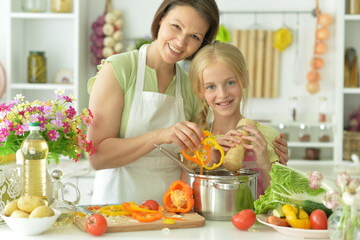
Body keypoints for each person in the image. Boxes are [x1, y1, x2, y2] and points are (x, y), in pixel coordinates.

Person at [87, 0, 288, 205]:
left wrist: (269, 157)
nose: (181, 42)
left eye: (194, 36)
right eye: (176, 26)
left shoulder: (191, 87)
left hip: (172, 212)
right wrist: (161, 135)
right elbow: (97, 157)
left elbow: (195, 161)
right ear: (160, 19)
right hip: (117, 206)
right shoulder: (119, 69)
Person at [189, 41, 282, 197]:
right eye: (211, 86)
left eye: (230, 82)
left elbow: (280, 201)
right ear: (200, 90)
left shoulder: (267, 136)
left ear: (243, 79)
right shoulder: (197, 140)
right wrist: (210, 163)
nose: (223, 94)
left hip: (256, 221)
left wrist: (265, 164)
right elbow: (184, 197)